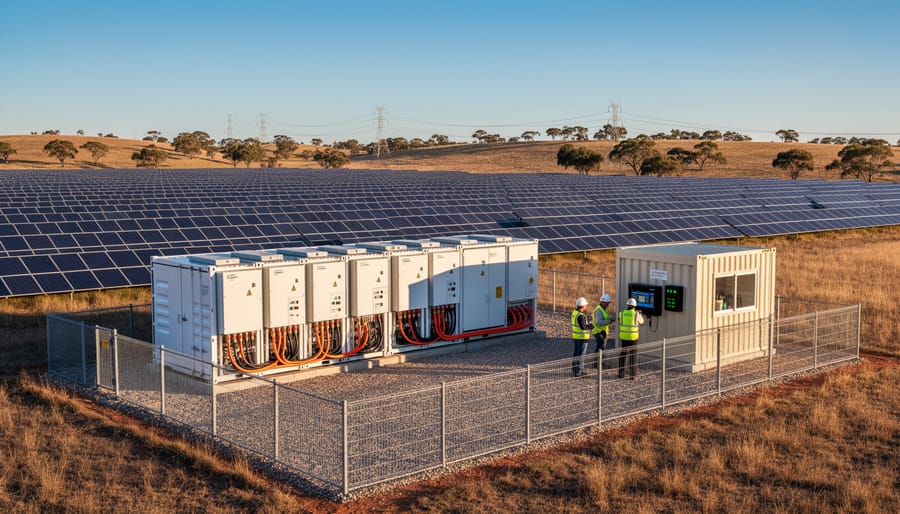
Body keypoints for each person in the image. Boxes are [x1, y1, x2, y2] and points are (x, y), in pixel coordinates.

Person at [618, 298, 645, 379]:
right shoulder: (636, 314)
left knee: (623, 355)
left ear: (628, 305)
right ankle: (633, 375)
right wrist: (640, 314)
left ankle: (621, 374)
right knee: (633, 356)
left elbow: (620, 320)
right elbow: (642, 322)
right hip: (633, 338)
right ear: (634, 306)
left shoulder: (621, 313)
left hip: (624, 337)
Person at [571, 296, 594, 377]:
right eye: (586, 305)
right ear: (583, 306)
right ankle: (579, 372)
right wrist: (591, 326)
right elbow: (583, 327)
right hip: (582, 338)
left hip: (576, 337)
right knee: (581, 355)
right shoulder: (581, 316)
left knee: (576, 354)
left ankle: (575, 370)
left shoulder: (574, 313)